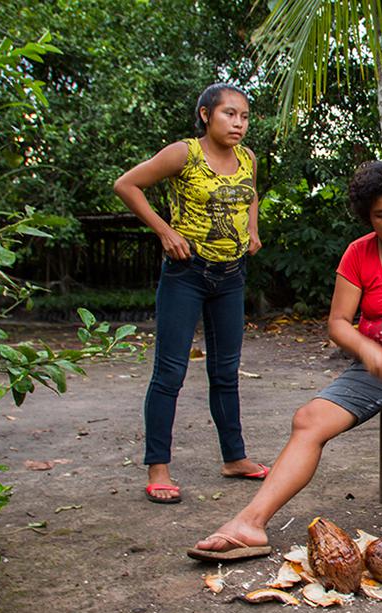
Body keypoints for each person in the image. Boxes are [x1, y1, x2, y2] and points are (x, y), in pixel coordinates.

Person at [189, 158, 382, 560]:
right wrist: (368, 349)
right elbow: (339, 323)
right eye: (381, 215)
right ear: (368, 218)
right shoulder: (358, 254)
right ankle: (250, 523)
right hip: (379, 370)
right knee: (308, 420)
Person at [114, 83, 267, 505]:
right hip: (186, 274)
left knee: (225, 371)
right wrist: (165, 231)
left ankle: (234, 458)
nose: (238, 123)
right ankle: (158, 468)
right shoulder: (184, 154)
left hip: (231, 276)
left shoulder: (246, 158)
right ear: (205, 115)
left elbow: (249, 196)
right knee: (170, 372)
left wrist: (252, 229)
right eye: (229, 114)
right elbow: (126, 185)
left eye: (244, 116)